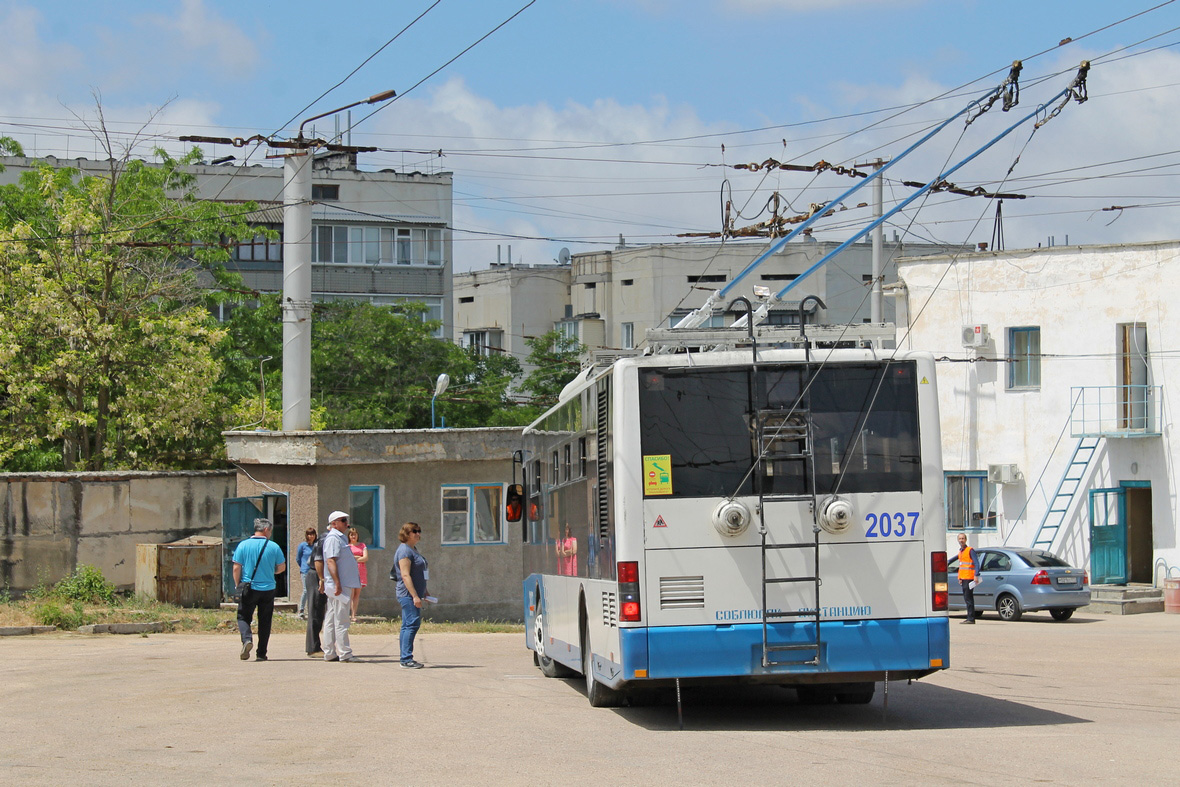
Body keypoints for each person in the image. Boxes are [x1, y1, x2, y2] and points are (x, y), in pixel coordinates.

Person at [232, 518, 286, 662]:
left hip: (249, 587)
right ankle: (261, 653)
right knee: (265, 621)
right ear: (266, 530)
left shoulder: (243, 545)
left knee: (243, 616)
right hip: (268, 588)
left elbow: (236, 567)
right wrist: (270, 572)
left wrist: (238, 585)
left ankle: (247, 639)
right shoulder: (274, 547)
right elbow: (281, 567)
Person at [322, 510, 362, 662]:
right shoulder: (333, 538)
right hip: (340, 585)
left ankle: (330, 652)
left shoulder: (340, 538)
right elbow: (331, 561)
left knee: (332, 618)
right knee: (342, 619)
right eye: (343, 520)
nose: (347, 523)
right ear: (334, 523)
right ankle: (345, 653)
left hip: (341, 584)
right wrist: (337, 582)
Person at [395, 522, 429, 668]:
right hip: (407, 594)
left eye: (419, 531)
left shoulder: (413, 549)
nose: (417, 534)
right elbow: (405, 575)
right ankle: (406, 659)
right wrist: (415, 596)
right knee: (412, 624)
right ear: (406, 534)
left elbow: (420, 573)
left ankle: (405, 656)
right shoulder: (404, 551)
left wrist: (424, 591)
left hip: (414, 593)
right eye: (414, 531)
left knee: (407, 625)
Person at [305, 530, 327, 658]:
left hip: (321, 577)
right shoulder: (324, 540)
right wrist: (321, 579)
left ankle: (316, 646)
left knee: (320, 612)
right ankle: (313, 648)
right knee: (315, 611)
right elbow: (318, 561)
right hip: (316, 577)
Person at [957, 533, 979, 624]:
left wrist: (976, 575)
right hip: (964, 577)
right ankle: (969, 617)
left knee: (969, 598)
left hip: (969, 577)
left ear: (966, 540)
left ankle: (971, 618)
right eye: (960, 539)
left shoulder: (970, 550)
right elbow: (961, 566)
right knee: (967, 598)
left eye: (963, 538)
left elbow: (976, 563)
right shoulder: (960, 551)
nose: (961, 540)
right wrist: (959, 577)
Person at [348, 527, 369, 622]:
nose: (353, 536)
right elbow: (347, 558)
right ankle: (348, 613)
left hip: (361, 570)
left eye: (355, 534)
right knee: (351, 593)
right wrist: (357, 557)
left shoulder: (362, 545)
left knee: (357, 594)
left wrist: (355, 558)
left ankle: (353, 615)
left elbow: (365, 558)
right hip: (351, 571)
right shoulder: (347, 546)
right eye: (351, 534)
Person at [296, 527, 316, 619]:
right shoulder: (303, 545)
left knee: (314, 591)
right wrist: (303, 566)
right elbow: (298, 558)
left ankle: (312, 610)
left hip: (314, 570)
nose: (311, 536)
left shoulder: (316, 546)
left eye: (312, 534)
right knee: (306, 590)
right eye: (309, 534)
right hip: (305, 570)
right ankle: (301, 610)